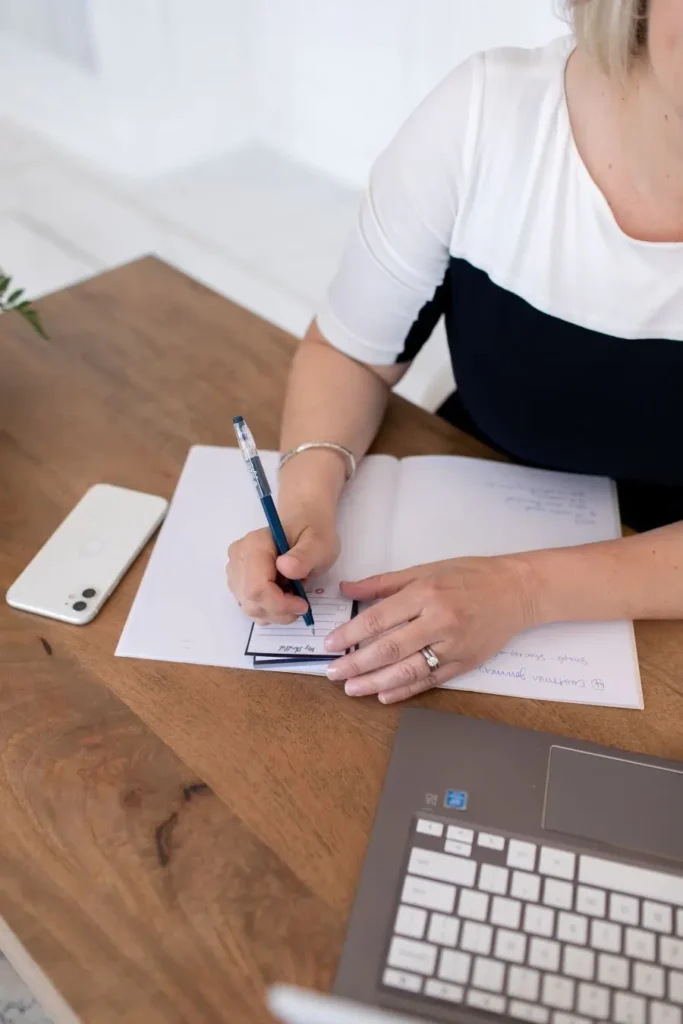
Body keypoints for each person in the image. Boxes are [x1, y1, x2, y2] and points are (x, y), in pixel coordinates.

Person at [228, 0, 683, 705]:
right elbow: (350, 354)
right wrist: (306, 495)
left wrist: (521, 590)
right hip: (465, 511)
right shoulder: (485, 115)